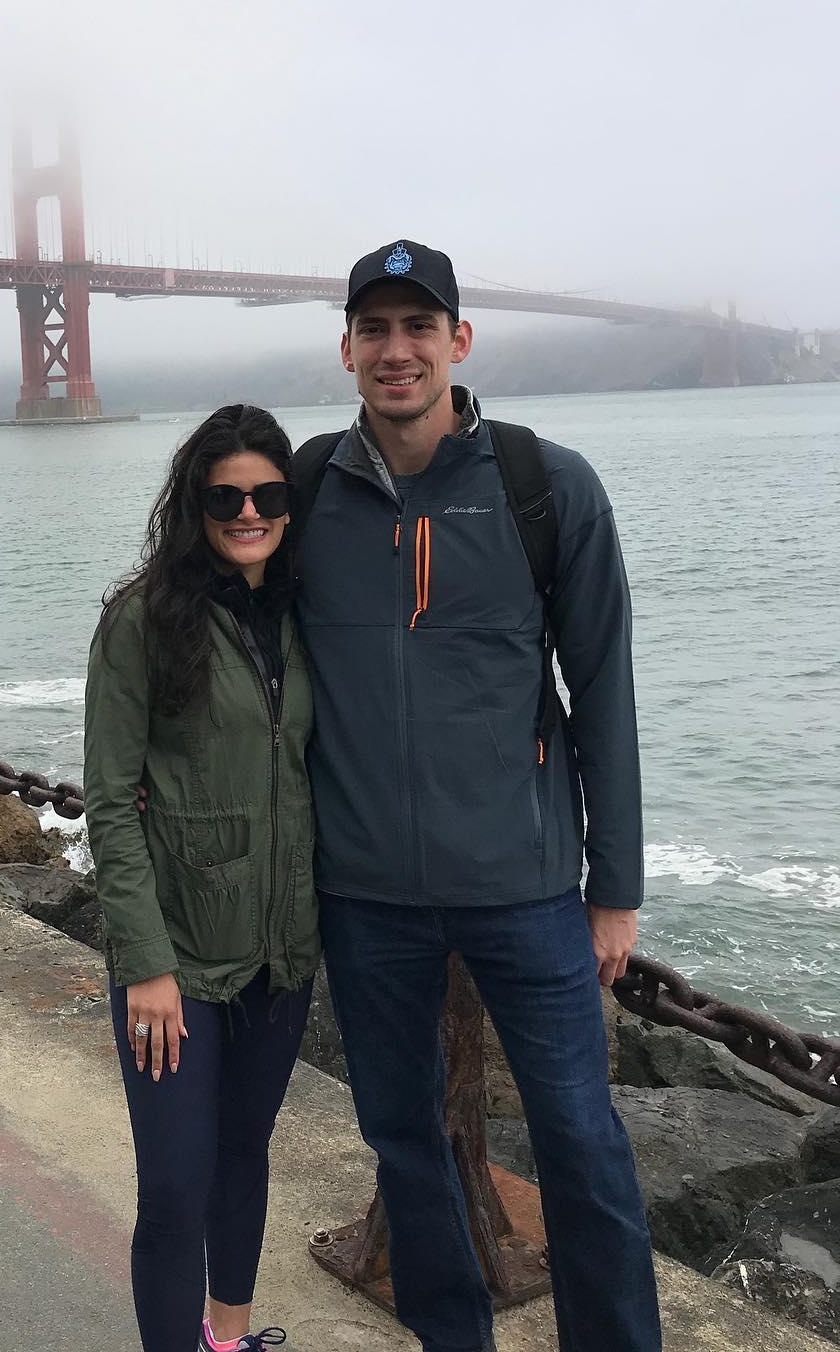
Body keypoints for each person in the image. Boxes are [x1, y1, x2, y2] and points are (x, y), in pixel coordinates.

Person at [292, 240, 661, 1352]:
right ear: (346, 347)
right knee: (405, 1145)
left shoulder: (547, 486)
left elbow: (603, 694)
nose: (396, 351)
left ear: (459, 341)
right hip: (366, 897)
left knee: (581, 1144)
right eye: (375, 329)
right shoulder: (302, 490)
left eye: (420, 327)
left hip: (528, 888)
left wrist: (617, 888)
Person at [84, 403, 320, 1352]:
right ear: (195, 503)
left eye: (268, 493)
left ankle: (229, 1339)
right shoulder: (141, 620)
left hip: (281, 947)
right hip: (175, 962)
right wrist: (145, 965)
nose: (248, 511)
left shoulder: (304, 613)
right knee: (176, 1179)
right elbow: (111, 800)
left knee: (242, 1154)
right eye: (226, 495)